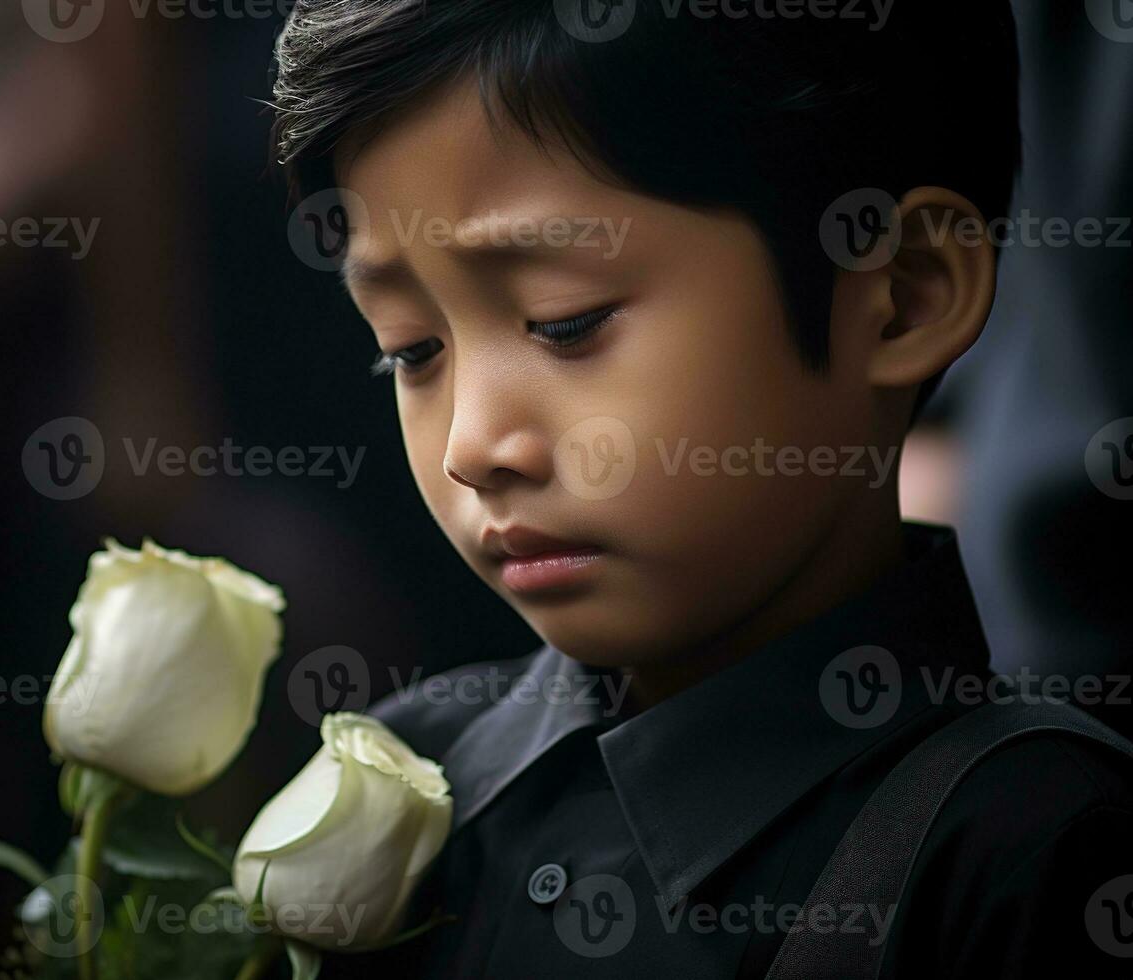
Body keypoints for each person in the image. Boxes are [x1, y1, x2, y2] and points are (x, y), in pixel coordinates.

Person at [267, 2, 1133, 976]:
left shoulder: (1028, 850)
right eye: (411, 352)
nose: (472, 444)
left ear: (904, 294)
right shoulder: (400, 785)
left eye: (565, 322)